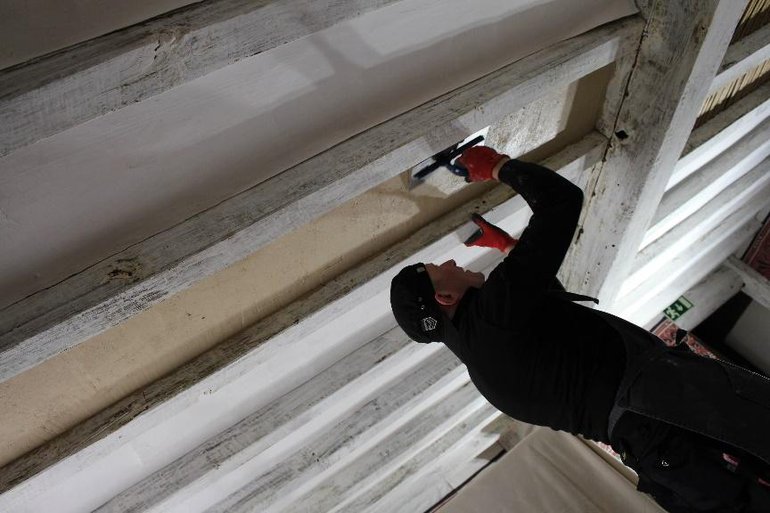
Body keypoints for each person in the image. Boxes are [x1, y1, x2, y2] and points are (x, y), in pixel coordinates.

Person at [389, 145, 770, 512]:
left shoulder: (483, 358)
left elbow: (549, 317)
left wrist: (509, 247)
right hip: (663, 404)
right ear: (444, 299)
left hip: (660, 453)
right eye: (443, 270)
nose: (454, 261)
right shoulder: (490, 316)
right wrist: (495, 166)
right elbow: (561, 201)